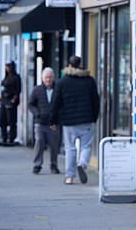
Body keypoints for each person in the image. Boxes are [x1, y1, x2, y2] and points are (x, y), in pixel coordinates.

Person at [50, 56, 99, 185]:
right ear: (81, 65)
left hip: (68, 122)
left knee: (70, 148)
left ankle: (69, 177)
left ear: (69, 65)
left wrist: (53, 121)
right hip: (86, 120)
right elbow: (96, 101)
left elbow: (55, 103)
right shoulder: (89, 81)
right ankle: (82, 164)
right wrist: (94, 117)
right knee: (86, 146)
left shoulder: (62, 82)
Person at [28, 67, 60, 174]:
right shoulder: (37, 90)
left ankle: (54, 165)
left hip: (54, 123)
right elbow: (31, 104)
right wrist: (37, 113)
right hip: (40, 123)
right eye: (46, 77)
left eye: (50, 77)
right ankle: (37, 165)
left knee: (54, 145)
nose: (48, 80)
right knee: (39, 142)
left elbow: (62, 105)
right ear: (42, 78)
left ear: (53, 78)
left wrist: (58, 118)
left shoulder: (58, 89)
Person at [0, 61, 21, 146]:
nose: (8, 69)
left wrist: (13, 100)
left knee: (11, 121)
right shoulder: (6, 77)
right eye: (6, 67)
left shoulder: (16, 77)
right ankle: (4, 137)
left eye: (9, 67)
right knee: (2, 120)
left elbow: (18, 91)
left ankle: (11, 138)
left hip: (11, 101)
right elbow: (3, 89)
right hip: (4, 100)